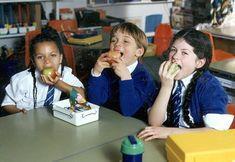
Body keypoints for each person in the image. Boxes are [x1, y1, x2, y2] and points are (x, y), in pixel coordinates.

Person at [137, 28, 234, 140]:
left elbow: (215, 133)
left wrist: (169, 132)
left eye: (184, 53)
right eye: (173, 50)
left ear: (199, 63)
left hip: (198, 146)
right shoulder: (168, 80)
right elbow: (154, 122)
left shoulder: (210, 87)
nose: (175, 57)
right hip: (173, 143)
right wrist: (166, 87)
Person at [1, 26, 84, 114]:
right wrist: (20, 112)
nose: (47, 62)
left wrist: (58, 83)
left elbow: (81, 99)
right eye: (40, 57)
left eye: (52, 55)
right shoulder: (21, 80)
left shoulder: (64, 73)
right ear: (33, 61)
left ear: (60, 58)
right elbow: (7, 104)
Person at [87, 22, 156, 121]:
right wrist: (96, 73)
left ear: (139, 52)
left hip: (134, 126)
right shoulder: (107, 70)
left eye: (126, 41)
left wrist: (126, 77)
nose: (117, 44)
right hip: (110, 121)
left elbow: (128, 111)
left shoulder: (144, 78)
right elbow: (95, 101)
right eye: (114, 40)